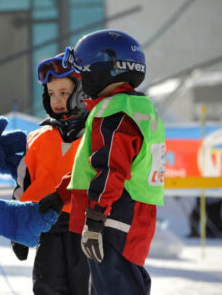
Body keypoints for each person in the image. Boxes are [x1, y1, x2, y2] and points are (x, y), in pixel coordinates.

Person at [62, 29, 166, 295]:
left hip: (113, 216)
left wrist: (95, 221)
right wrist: (61, 193)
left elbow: (110, 169)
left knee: (115, 285)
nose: (81, 81)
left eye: (83, 73)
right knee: (120, 283)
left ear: (104, 71)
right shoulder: (136, 108)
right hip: (132, 214)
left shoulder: (113, 114)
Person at [12, 52, 91, 295]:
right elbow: (23, 186)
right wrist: (19, 230)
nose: (56, 100)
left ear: (81, 93)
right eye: (51, 93)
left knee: (87, 288)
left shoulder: (96, 133)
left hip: (87, 227)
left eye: (64, 93)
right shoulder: (37, 137)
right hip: (47, 227)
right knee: (48, 287)